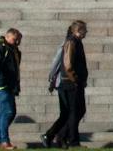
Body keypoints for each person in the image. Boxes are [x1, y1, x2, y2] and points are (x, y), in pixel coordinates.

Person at [43, 21, 88, 149]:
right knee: (73, 112)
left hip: (71, 82)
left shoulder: (76, 42)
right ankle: (72, 141)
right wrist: (74, 79)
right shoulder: (71, 42)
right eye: (84, 30)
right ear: (78, 31)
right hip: (70, 83)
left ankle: (57, 136)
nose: (86, 33)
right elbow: (68, 65)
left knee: (75, 111)